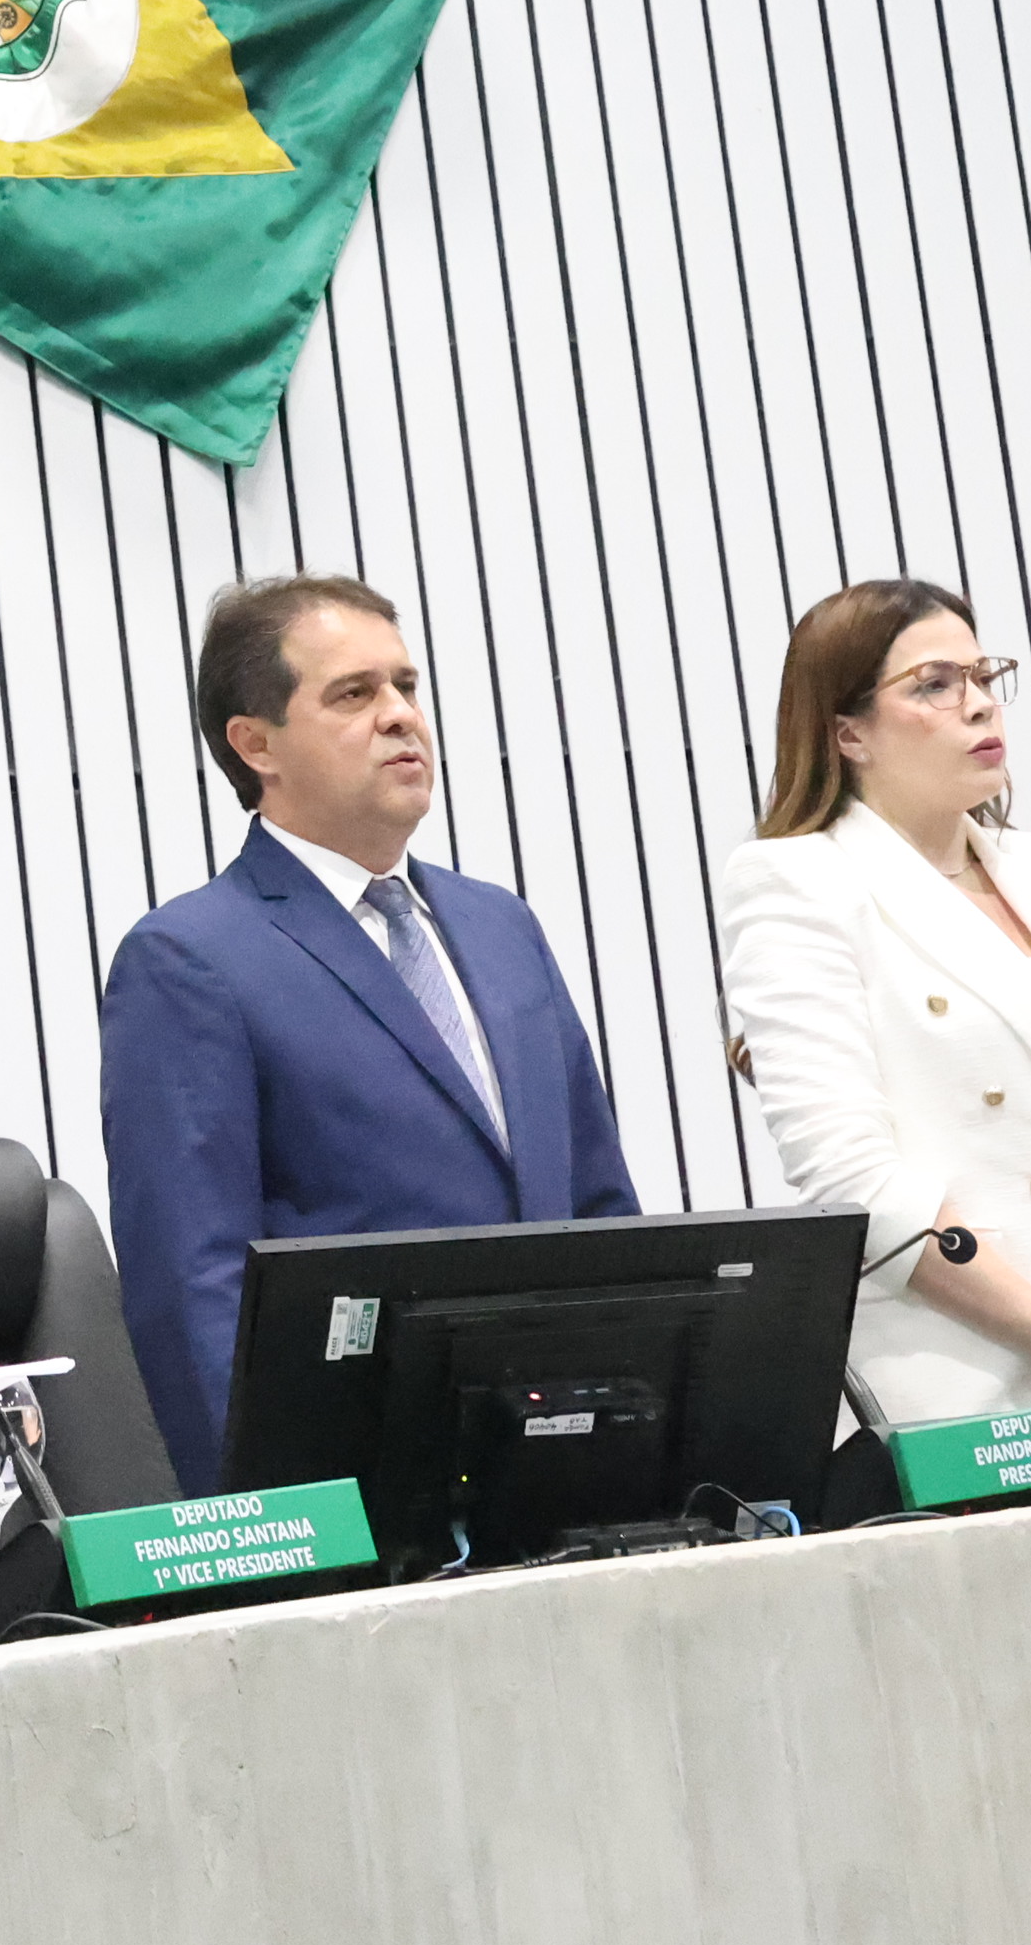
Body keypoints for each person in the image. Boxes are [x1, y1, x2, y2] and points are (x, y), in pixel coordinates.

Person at [99, 575, 641, 1495]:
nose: (400, 716)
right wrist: (268, 1527)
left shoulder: (502, 926)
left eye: (406, 685)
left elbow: (598, 1205)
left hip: (564, 1465)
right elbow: (191, 1280)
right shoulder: (190, 958)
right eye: (354, 694)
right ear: (255, 744)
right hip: (357, 1481)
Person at [714, 583, 1031, 1455]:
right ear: (848, 732)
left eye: (984, 676)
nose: (978, 704)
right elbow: (854, 1181)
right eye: (934, 685)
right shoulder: (799, 882)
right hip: (969, 1382)